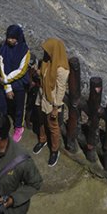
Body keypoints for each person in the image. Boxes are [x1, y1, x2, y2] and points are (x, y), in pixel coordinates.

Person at [32, 38, 70, 167]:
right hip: (42, 95)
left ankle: (55, 150)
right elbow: (44, 75)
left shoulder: (62, 69)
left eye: (47, 50)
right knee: (41, 120)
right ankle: (42, 140)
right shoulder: (47, 62)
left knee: (53, 127)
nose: (45, 53)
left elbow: (61, 90)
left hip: (52, 101)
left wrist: (56, 107)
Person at [0, 25, 31, 143]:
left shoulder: (25, 51)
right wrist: (7, 87)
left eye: (12, 38)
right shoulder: (4, 48)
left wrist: (7, 81)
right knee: (2, 106)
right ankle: (2, 125)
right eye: (8, 37)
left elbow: (21, 71)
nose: (9, 40)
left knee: (19, 108)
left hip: (18, 83)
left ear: (18, 37)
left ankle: (18, 127)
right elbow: (1, 66)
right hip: (5, 82)